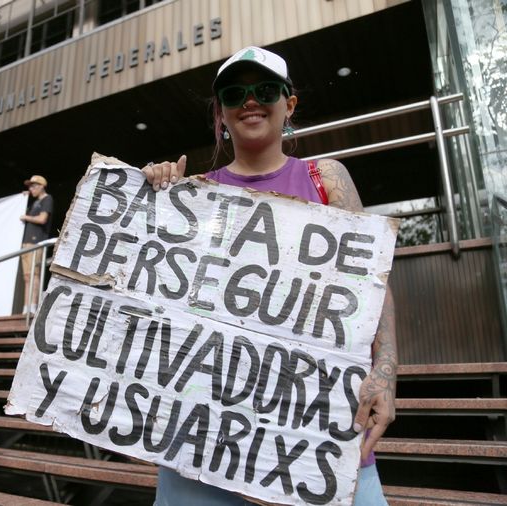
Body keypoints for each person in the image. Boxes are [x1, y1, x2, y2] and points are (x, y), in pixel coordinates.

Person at [143, 46, 397, 506]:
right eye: (235, 93)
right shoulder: (194, 194)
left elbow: (372, 286)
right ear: (220, 111)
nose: (250, 101)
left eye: (265, 90)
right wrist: (152, 199)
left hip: (317, 434)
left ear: (289, 103)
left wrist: (385, 371)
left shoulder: (327, 180)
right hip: (202, 444)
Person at [20, 175, 54, 314]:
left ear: (41, 186)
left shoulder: (47, 199)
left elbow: (42, 219)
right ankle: (26, 307)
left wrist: (26, 217)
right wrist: (24, 197)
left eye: (33, 186)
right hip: (26, 243)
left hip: (36, 241)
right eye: (30, 186)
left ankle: (33, 306)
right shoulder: (33, 203)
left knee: (34, 274)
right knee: (27, 276)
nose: (31, 189)